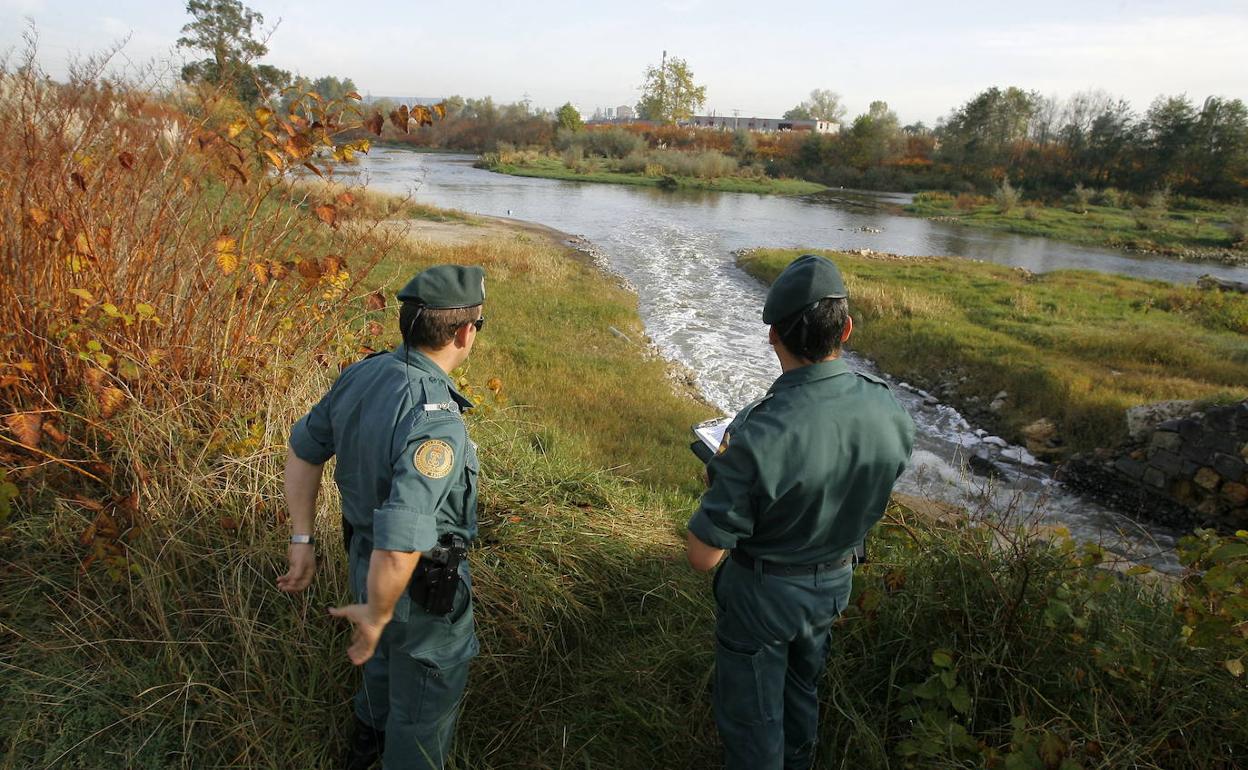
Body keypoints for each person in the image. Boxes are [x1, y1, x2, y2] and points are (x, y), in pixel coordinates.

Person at [685, 254, 915, 770]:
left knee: (753, 721)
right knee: (801, 691)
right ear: (847, 329)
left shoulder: (758, 432)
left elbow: (703, 555)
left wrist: (722, 477)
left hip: (764, 596)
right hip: (834, 583)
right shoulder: (889, 410)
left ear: (774, 338)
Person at [277, 264, 487, 770]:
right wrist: (377, 612)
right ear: (463, 332)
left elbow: (304, 451)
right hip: (414, 579)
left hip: (361, 560)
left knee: (381, 663)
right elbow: (401, 536)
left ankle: (364, 747)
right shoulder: (436, 421)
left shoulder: (363, 375)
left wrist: (302, 539)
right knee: (423, 704)